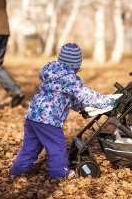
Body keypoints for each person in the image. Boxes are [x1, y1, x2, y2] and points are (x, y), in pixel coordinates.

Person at [10, 43, 116, 178]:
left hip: (32, 116)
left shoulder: (54, 74)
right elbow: (85, 94)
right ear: (75, 66)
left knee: (29, 147)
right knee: (57, 147)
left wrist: (79, 107)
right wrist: (107, 101)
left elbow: (65, 97)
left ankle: (17, 171)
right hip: (48, 120)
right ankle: (58, 172)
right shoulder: (69, 78)